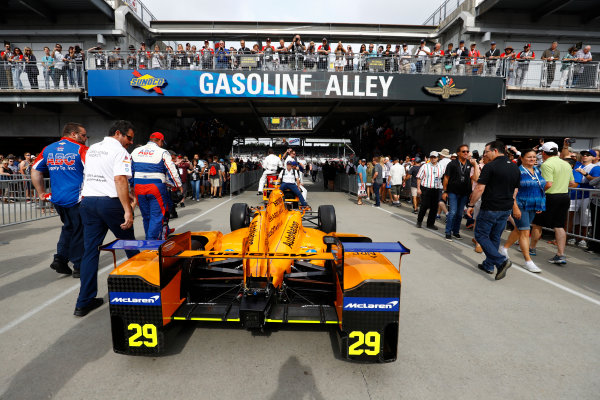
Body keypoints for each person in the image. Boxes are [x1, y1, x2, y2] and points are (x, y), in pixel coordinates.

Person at [75, 120, 139, 317]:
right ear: (118, 133)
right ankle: (141, 292)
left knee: (90, 252)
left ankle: (83, 302)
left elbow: (97, 174)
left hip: (88, 202)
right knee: (130, 246)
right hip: (110, 204)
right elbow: (119, 179)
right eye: (129, 138)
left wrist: (124, 194)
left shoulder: (92, 148)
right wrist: (127, 209)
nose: (130, 142)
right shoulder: (120, 152)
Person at [31, 123, 88, 277]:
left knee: (68, 227)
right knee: (79, 230)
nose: (85, 138)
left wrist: (41, 192)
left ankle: (60, 259)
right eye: (83, 135)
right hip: (77, 198)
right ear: (74, 134)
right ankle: (79, 265)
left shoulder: (48, 149)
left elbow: (35, 170)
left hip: (58, 199)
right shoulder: (81, 149)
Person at [466, 141, 520, 280]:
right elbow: (515, 190)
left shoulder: (490, 166)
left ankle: (500, 261)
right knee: (495, 236)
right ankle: (489, 265)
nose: (485, 154)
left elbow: (479, 188)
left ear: (495, 151)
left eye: (486, 151)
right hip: (505, 208)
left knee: (480, 235)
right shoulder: (514, 168)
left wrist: (471, 205)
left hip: (491, 207)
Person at [499, 149, 548, 273]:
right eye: (529, 157)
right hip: (520, 205)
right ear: (522, 158)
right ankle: (528, 261)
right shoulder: (517, 171)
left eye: (534, 157)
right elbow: (511, 191)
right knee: (525, 232)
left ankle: (504, 249)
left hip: (533, 205)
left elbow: (539, 187)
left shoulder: (537, 170)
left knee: (519, 229)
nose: (532, 159)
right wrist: (514, 207)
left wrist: (539, 204)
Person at [530, 142, 576, 265]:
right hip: (564, 196)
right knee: (559, 226)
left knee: (537, 223)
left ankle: (532, 249)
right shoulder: (566, 164)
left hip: (550, 197)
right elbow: (572, 183)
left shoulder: (547, 164)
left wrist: (537, 193)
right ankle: (560, 254)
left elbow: (548, 184)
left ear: (544, 153)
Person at [131, 132, 182, 240]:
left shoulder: (136, 151)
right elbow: (172, 170)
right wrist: (178, 185)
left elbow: (129, 170)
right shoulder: (162, 152)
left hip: (138, 186)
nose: (162, 144)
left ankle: (149, 240)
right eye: (162, 142)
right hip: (155, 187)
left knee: (146, 217)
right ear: (160, 141)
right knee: (157, 216)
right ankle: (151, 243)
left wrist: (131, 185)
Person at [442, 144, 479, 241]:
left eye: (467, 151)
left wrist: (475, 165)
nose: (466, 153)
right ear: (458, 153)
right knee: (453, 212)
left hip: (464, 193)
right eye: (463, 151)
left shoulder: (470, 163)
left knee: (459, 214)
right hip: (453, 192)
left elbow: (475, 179)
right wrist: (445, 191)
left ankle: (456, 232)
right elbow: (446, 178)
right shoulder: (452, 164)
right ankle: (448, 232)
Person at [416, 151, 443, 229]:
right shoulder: (425, 166)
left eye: (435, 157)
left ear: (437, 158)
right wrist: (418, 188)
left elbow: (444, 178)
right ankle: (419, 221)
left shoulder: (441, 167)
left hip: (436, 189)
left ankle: (430, 224)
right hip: (426, 188)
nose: (433, 159)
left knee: (434, 208)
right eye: (431, 157)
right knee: (424, 206)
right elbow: (419, 177)